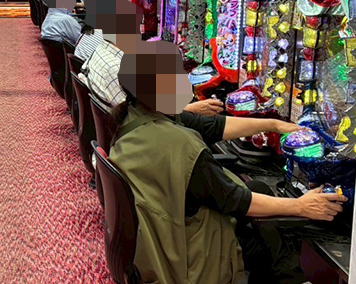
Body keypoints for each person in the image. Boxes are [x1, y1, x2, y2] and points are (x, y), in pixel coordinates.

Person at [107, 39, 346, 284]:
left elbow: (215, 126)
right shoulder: (180, 144)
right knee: (272, 242)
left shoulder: (135, 116)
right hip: (185, 259)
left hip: (161, 236)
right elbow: (235, 200)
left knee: (259, 190)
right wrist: (302, 206)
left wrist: (274, 124)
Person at [79, 38, 224, 116]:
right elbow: (137, 114)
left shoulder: (101, 49)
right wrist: (191, 108)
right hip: (131, 137)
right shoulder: (115, 68)